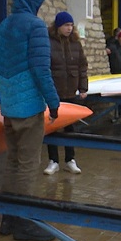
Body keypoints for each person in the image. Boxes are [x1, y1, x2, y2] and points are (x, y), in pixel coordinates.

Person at [0, 0, 61, 241]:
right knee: (27, 166)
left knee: (13, 163)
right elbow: (40, 69)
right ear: (34, 1)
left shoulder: (3, 26)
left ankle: (8, 219)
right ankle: (24, 224)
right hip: (29, 111)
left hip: (9, 109)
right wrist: (53, 102)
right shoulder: (36, 26)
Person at [44, 12, 88, 175]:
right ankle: (53, 160)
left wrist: (83, 87)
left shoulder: (76, 43)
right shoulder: (48, 42)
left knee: (70, 126)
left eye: (71, 25)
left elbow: (82, 66)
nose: (69, 28)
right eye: (66, 25)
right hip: (54, 91)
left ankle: (70, 159)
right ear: (58, 26)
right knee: (52, 126)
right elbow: (45, 67)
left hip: (71, 91)